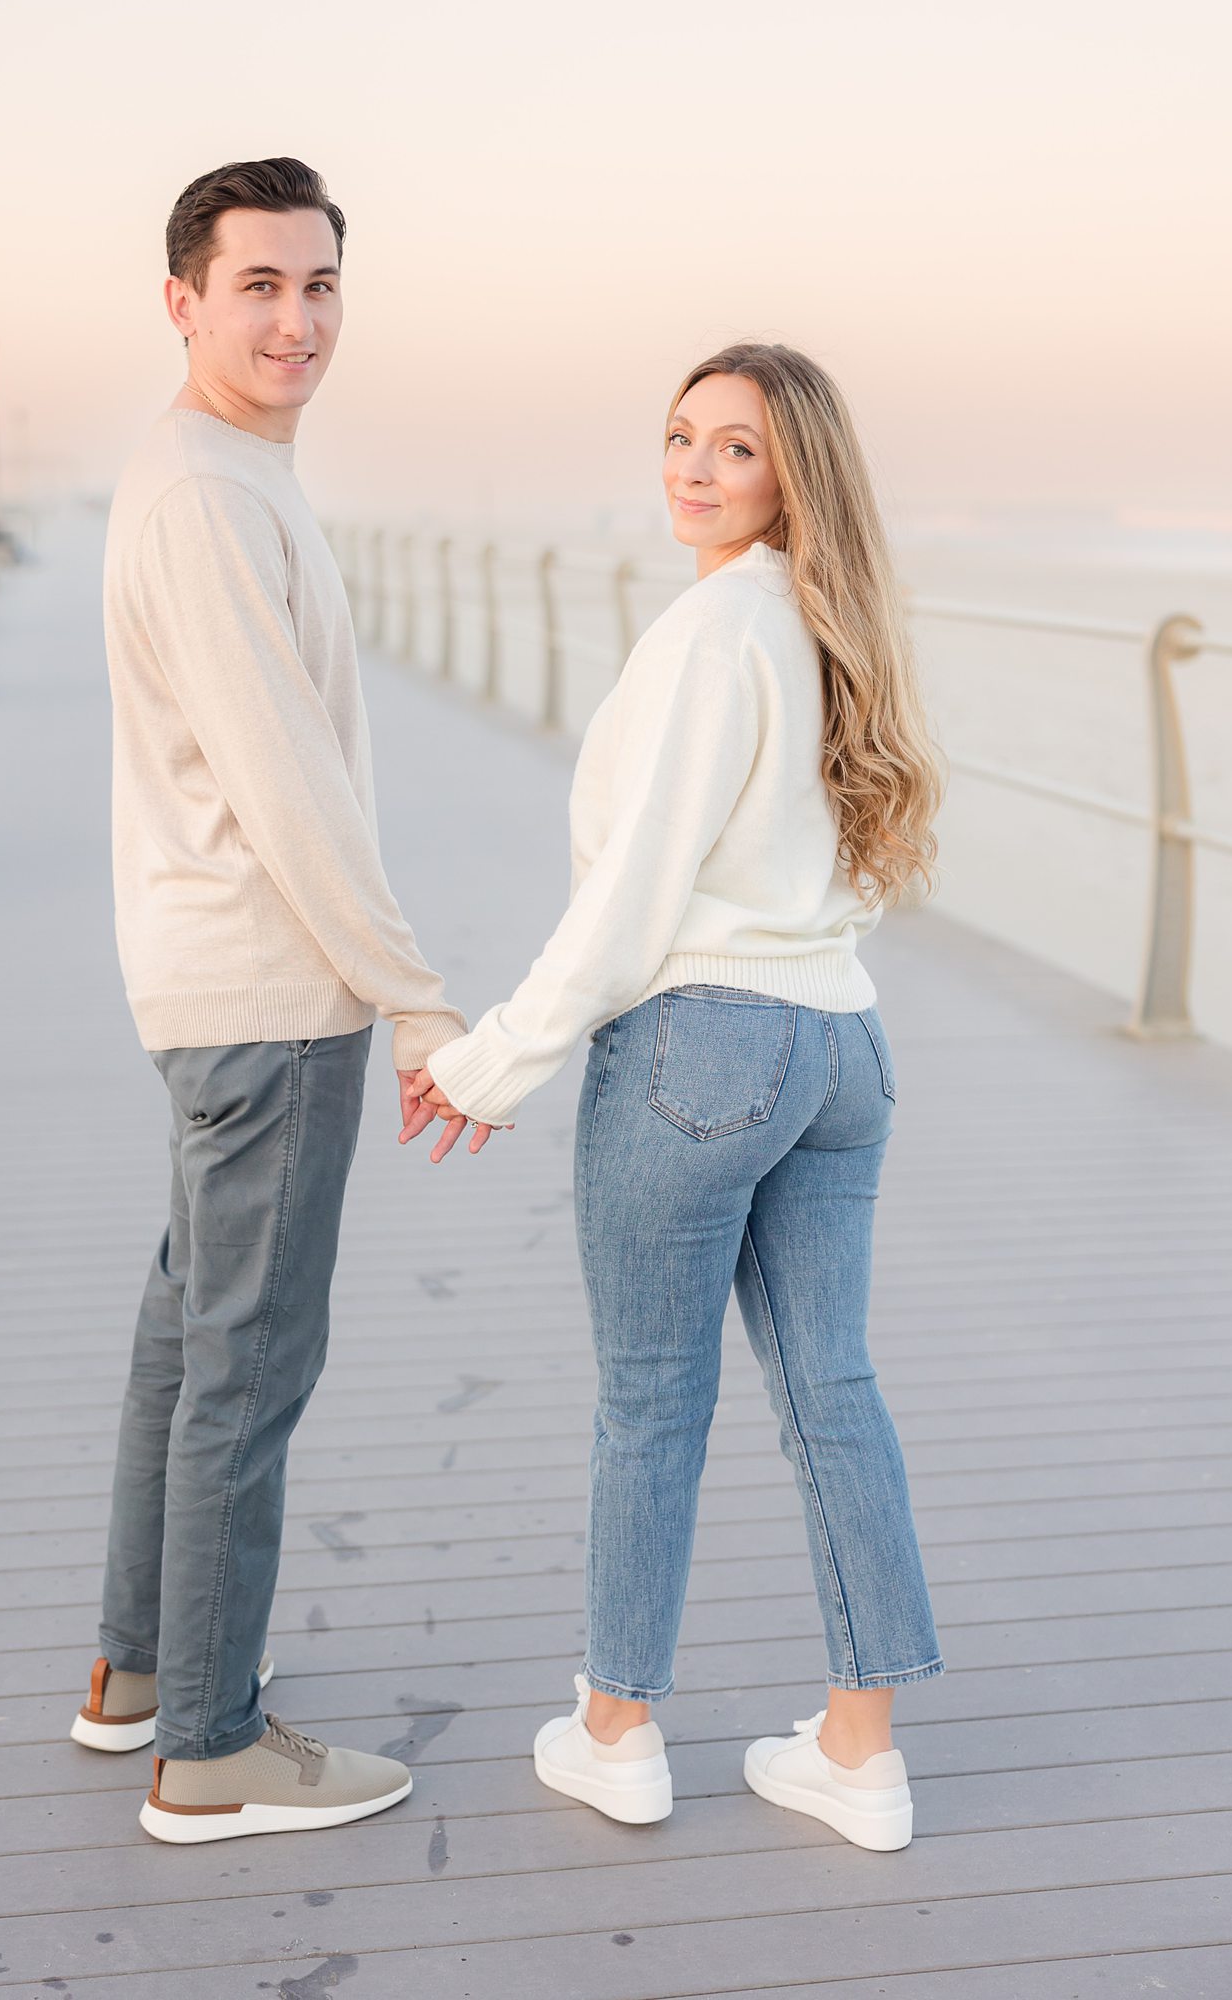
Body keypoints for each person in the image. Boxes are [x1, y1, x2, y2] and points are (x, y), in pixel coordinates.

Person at [405, 342, 944, 1849]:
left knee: (653, 1399)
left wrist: (492, 1058)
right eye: (680, 439)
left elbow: (637, 897)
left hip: (708, 1045)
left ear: (794, 480)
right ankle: (860, 1751)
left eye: (737, 451)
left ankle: (620, 1730)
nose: (695, 472)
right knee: (832, 1390)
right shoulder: (838, 625)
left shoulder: (715, 633)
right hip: (842, 1045)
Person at [74, 157, 499, 1843]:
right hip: (269, 994)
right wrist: (416, 1000)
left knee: (188, 1346)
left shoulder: (225, 470)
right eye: (258, 284)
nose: (296, 317)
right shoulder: (204, 495)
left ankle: (134, 1680)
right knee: (247, 1369)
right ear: (183, 300)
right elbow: (290, 782)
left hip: (215, 987)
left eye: (319, 285)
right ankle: (212, 1748)